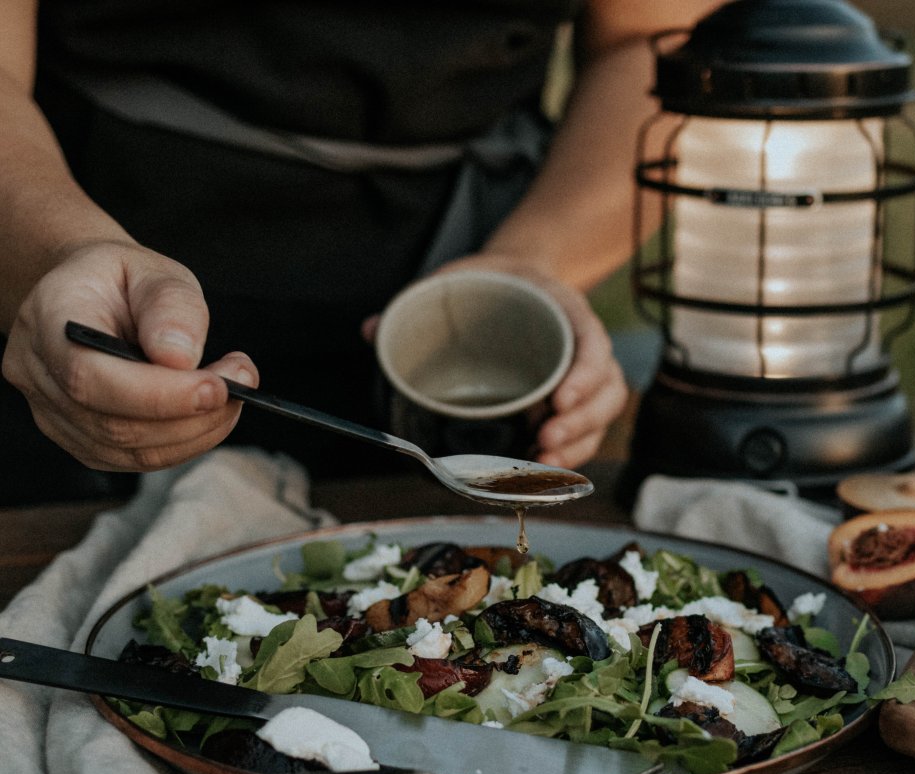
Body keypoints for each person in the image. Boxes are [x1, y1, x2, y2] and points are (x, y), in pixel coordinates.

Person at [0, 0, 716, 505]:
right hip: (78, 241)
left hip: (463, 285)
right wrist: (55, 253)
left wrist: (531, 267)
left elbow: (652, 43)